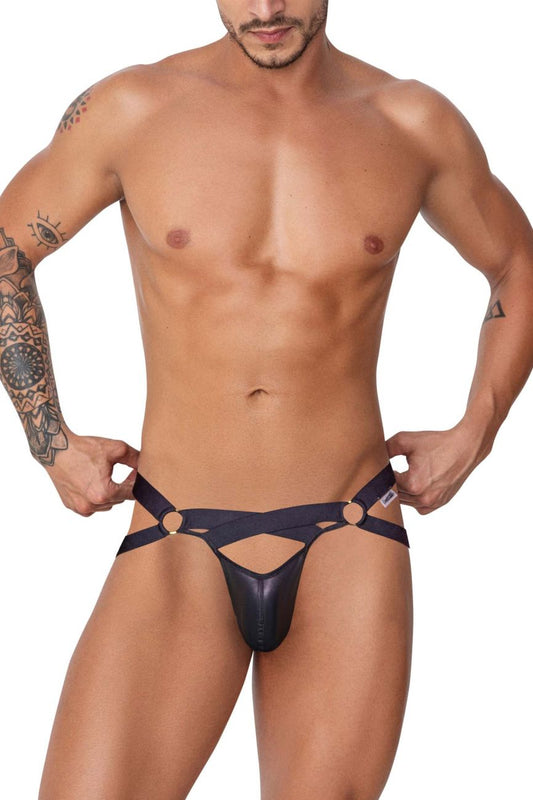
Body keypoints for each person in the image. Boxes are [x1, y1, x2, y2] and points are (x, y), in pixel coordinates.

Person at [1, 1, 532, 797]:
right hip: (175, 530)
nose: (266, 8)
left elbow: (517, 264)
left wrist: (476, 431)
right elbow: (7, 249)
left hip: (348, 536)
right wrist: (49, 441)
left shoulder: (410, 121)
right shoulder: (132, 108)